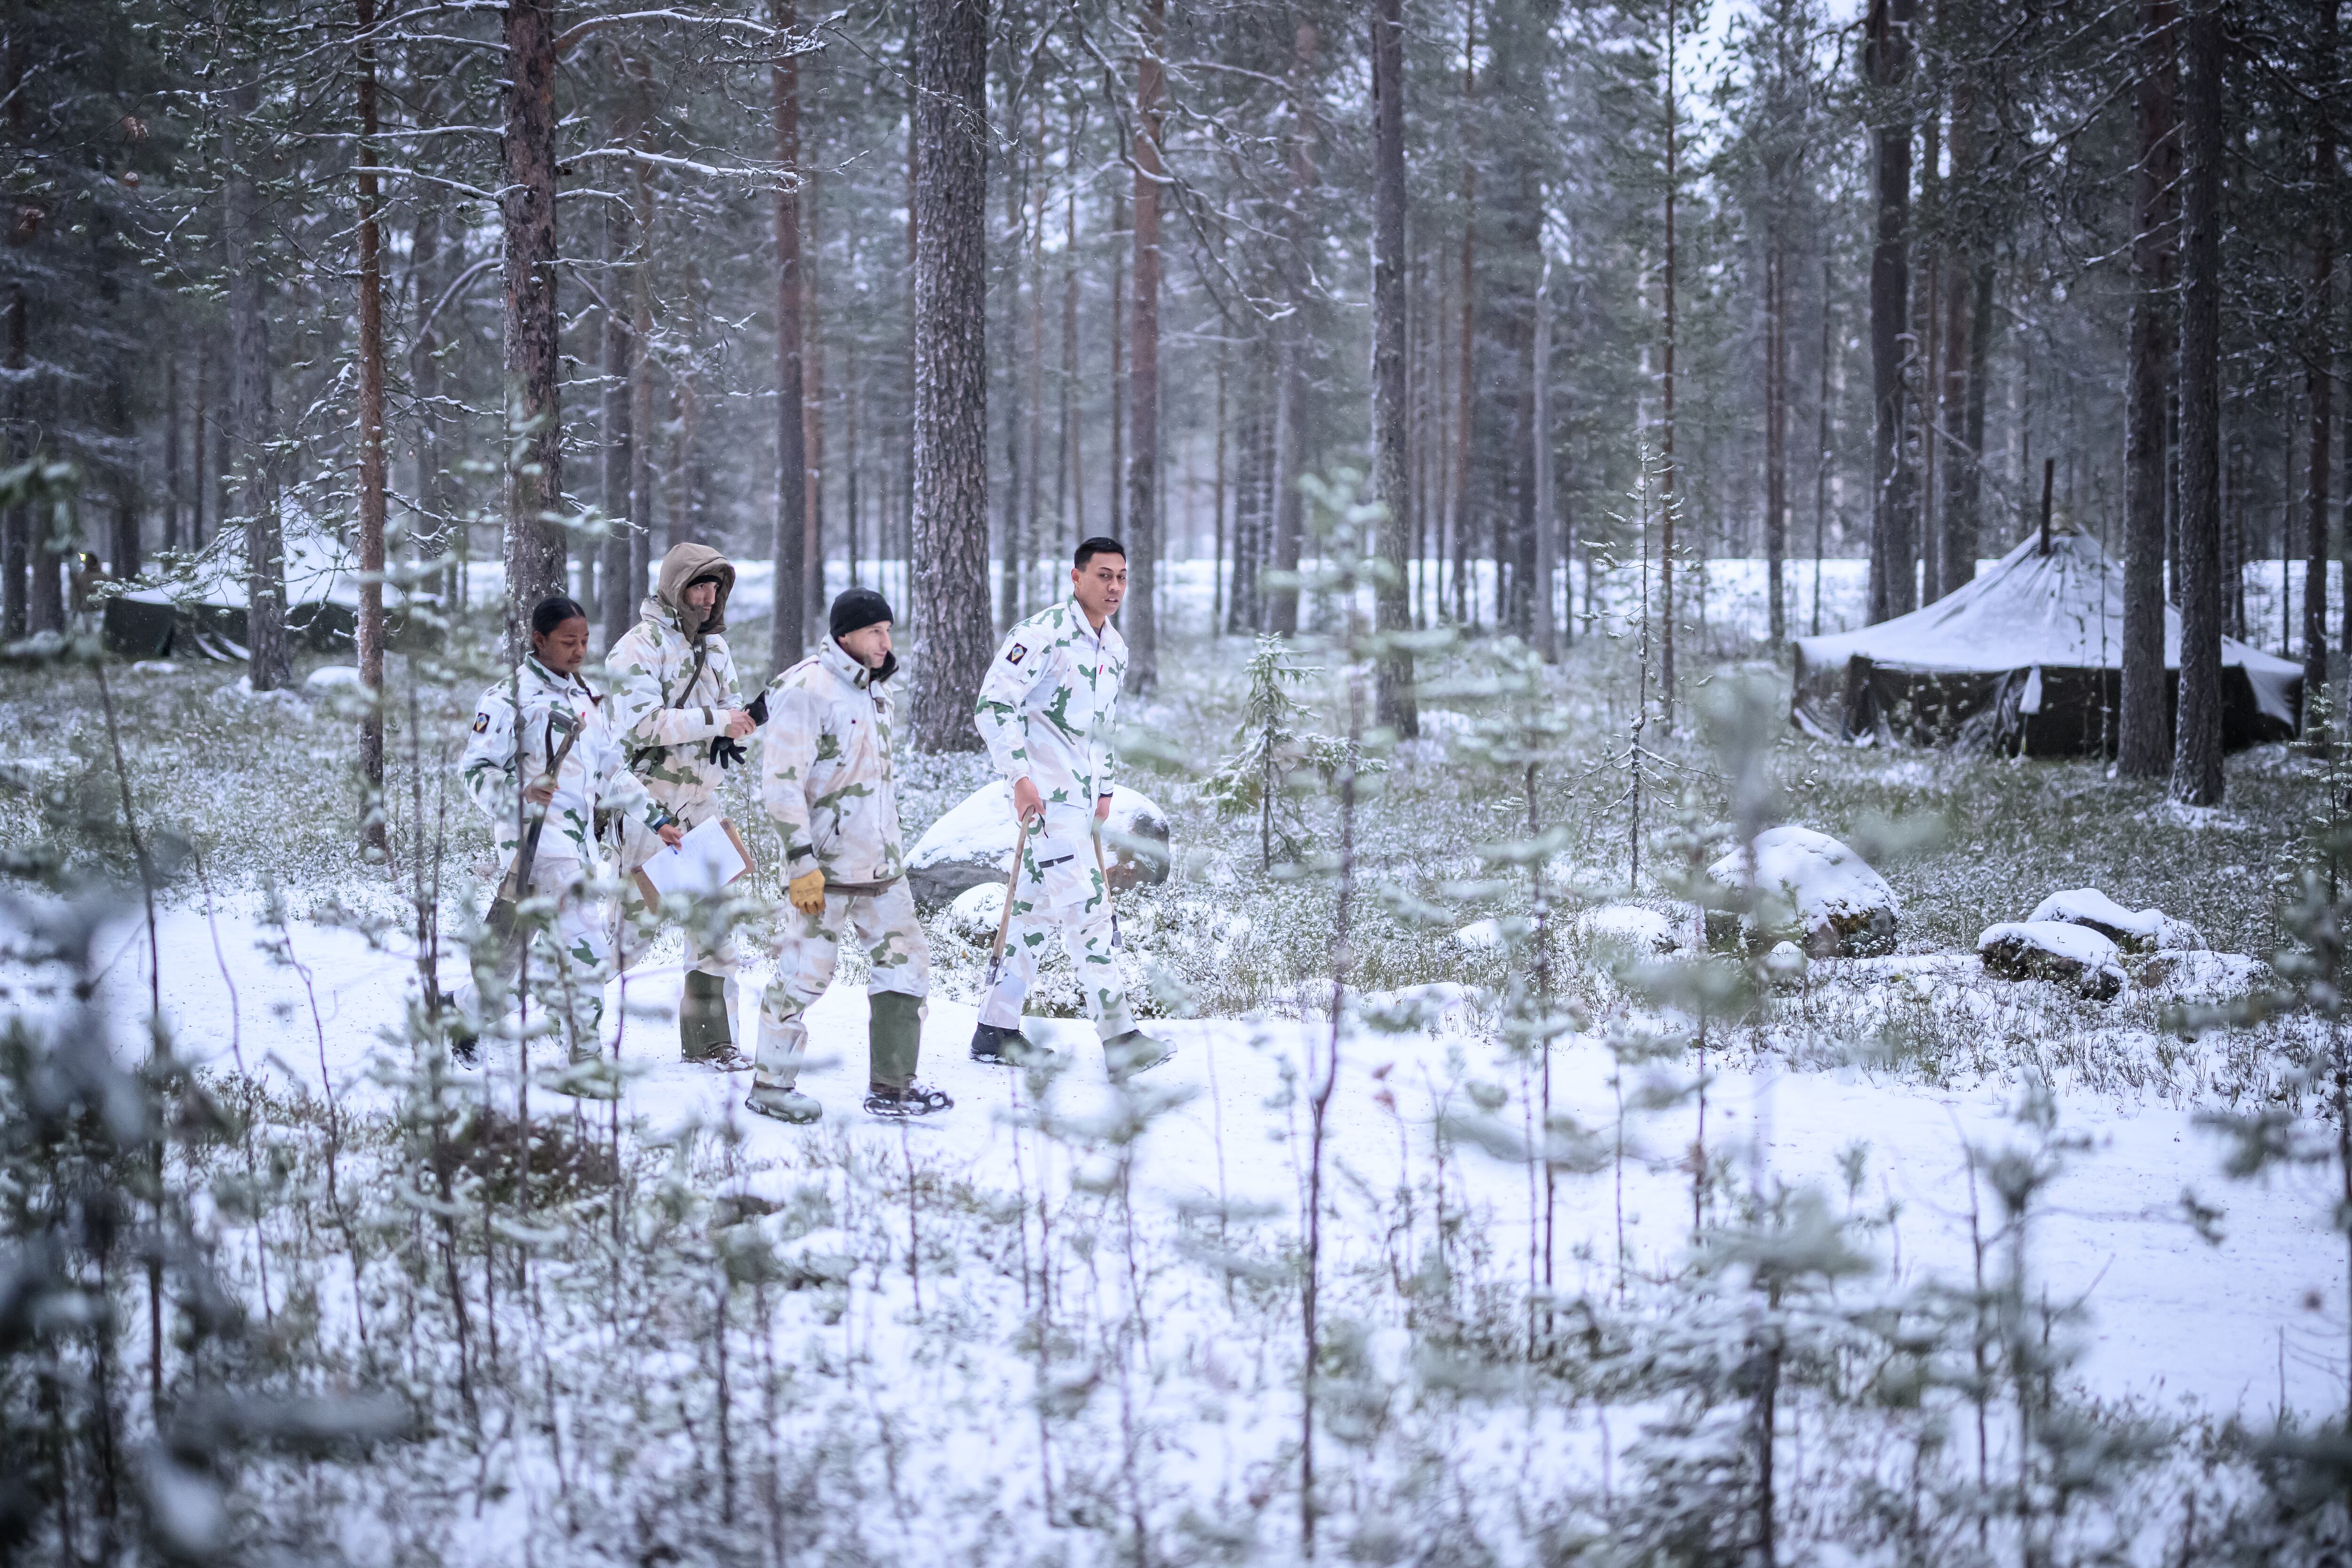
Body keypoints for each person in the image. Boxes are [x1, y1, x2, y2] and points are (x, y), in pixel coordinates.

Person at [746, 587, 951, 1123]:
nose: (886, 642)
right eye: (874, 632)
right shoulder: (808, 690)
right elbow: (781, 786)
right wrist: (801, 863)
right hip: (824, 868)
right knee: (804, 976)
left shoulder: (875, 688)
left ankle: (893, 1085)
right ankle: (770, 1086)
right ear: (845, 636)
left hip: (881, 865)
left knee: (905, 963)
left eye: (889, 631)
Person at [969, 536, 1171, 1077]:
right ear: (1076, 577)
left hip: (1082, 805)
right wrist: (1018, 778)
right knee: (1089, 914)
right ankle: (1120, 1040)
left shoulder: (1114, 648)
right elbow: (992, 705)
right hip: (1046, 802)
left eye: (1121, 577)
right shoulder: (1043, 635)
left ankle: (994, 1030)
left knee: (1032, 916)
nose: (1114, 587)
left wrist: (1104, 791)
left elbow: (1102, 727)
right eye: (1103, 575)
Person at [456, 595, 680, 1062]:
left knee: (527, 955)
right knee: (587, 951)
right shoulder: (507, 698)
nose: (579, 651)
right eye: (567, 642)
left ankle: (466, 1009)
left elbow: (613, 771)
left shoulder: (587, 698)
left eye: (584, 641)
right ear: (539, 640)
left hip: (578, 848)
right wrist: (520, 791)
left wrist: (657, 820)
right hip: (533, 845)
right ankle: (583, 1059)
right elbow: (474, 769)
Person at [605, 542, 762, 1068]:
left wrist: (732, 730)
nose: (709, 597)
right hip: (650, 811)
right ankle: (546, 1004)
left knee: (714, 932)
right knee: (627, 941)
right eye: (699, 586)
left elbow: (730, 704)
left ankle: (711, 1042)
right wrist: (715, 723)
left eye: (716, 587)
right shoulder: (637, 647)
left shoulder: (716, 649)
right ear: (675, 587)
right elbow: (641, 724)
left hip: (702, 809)